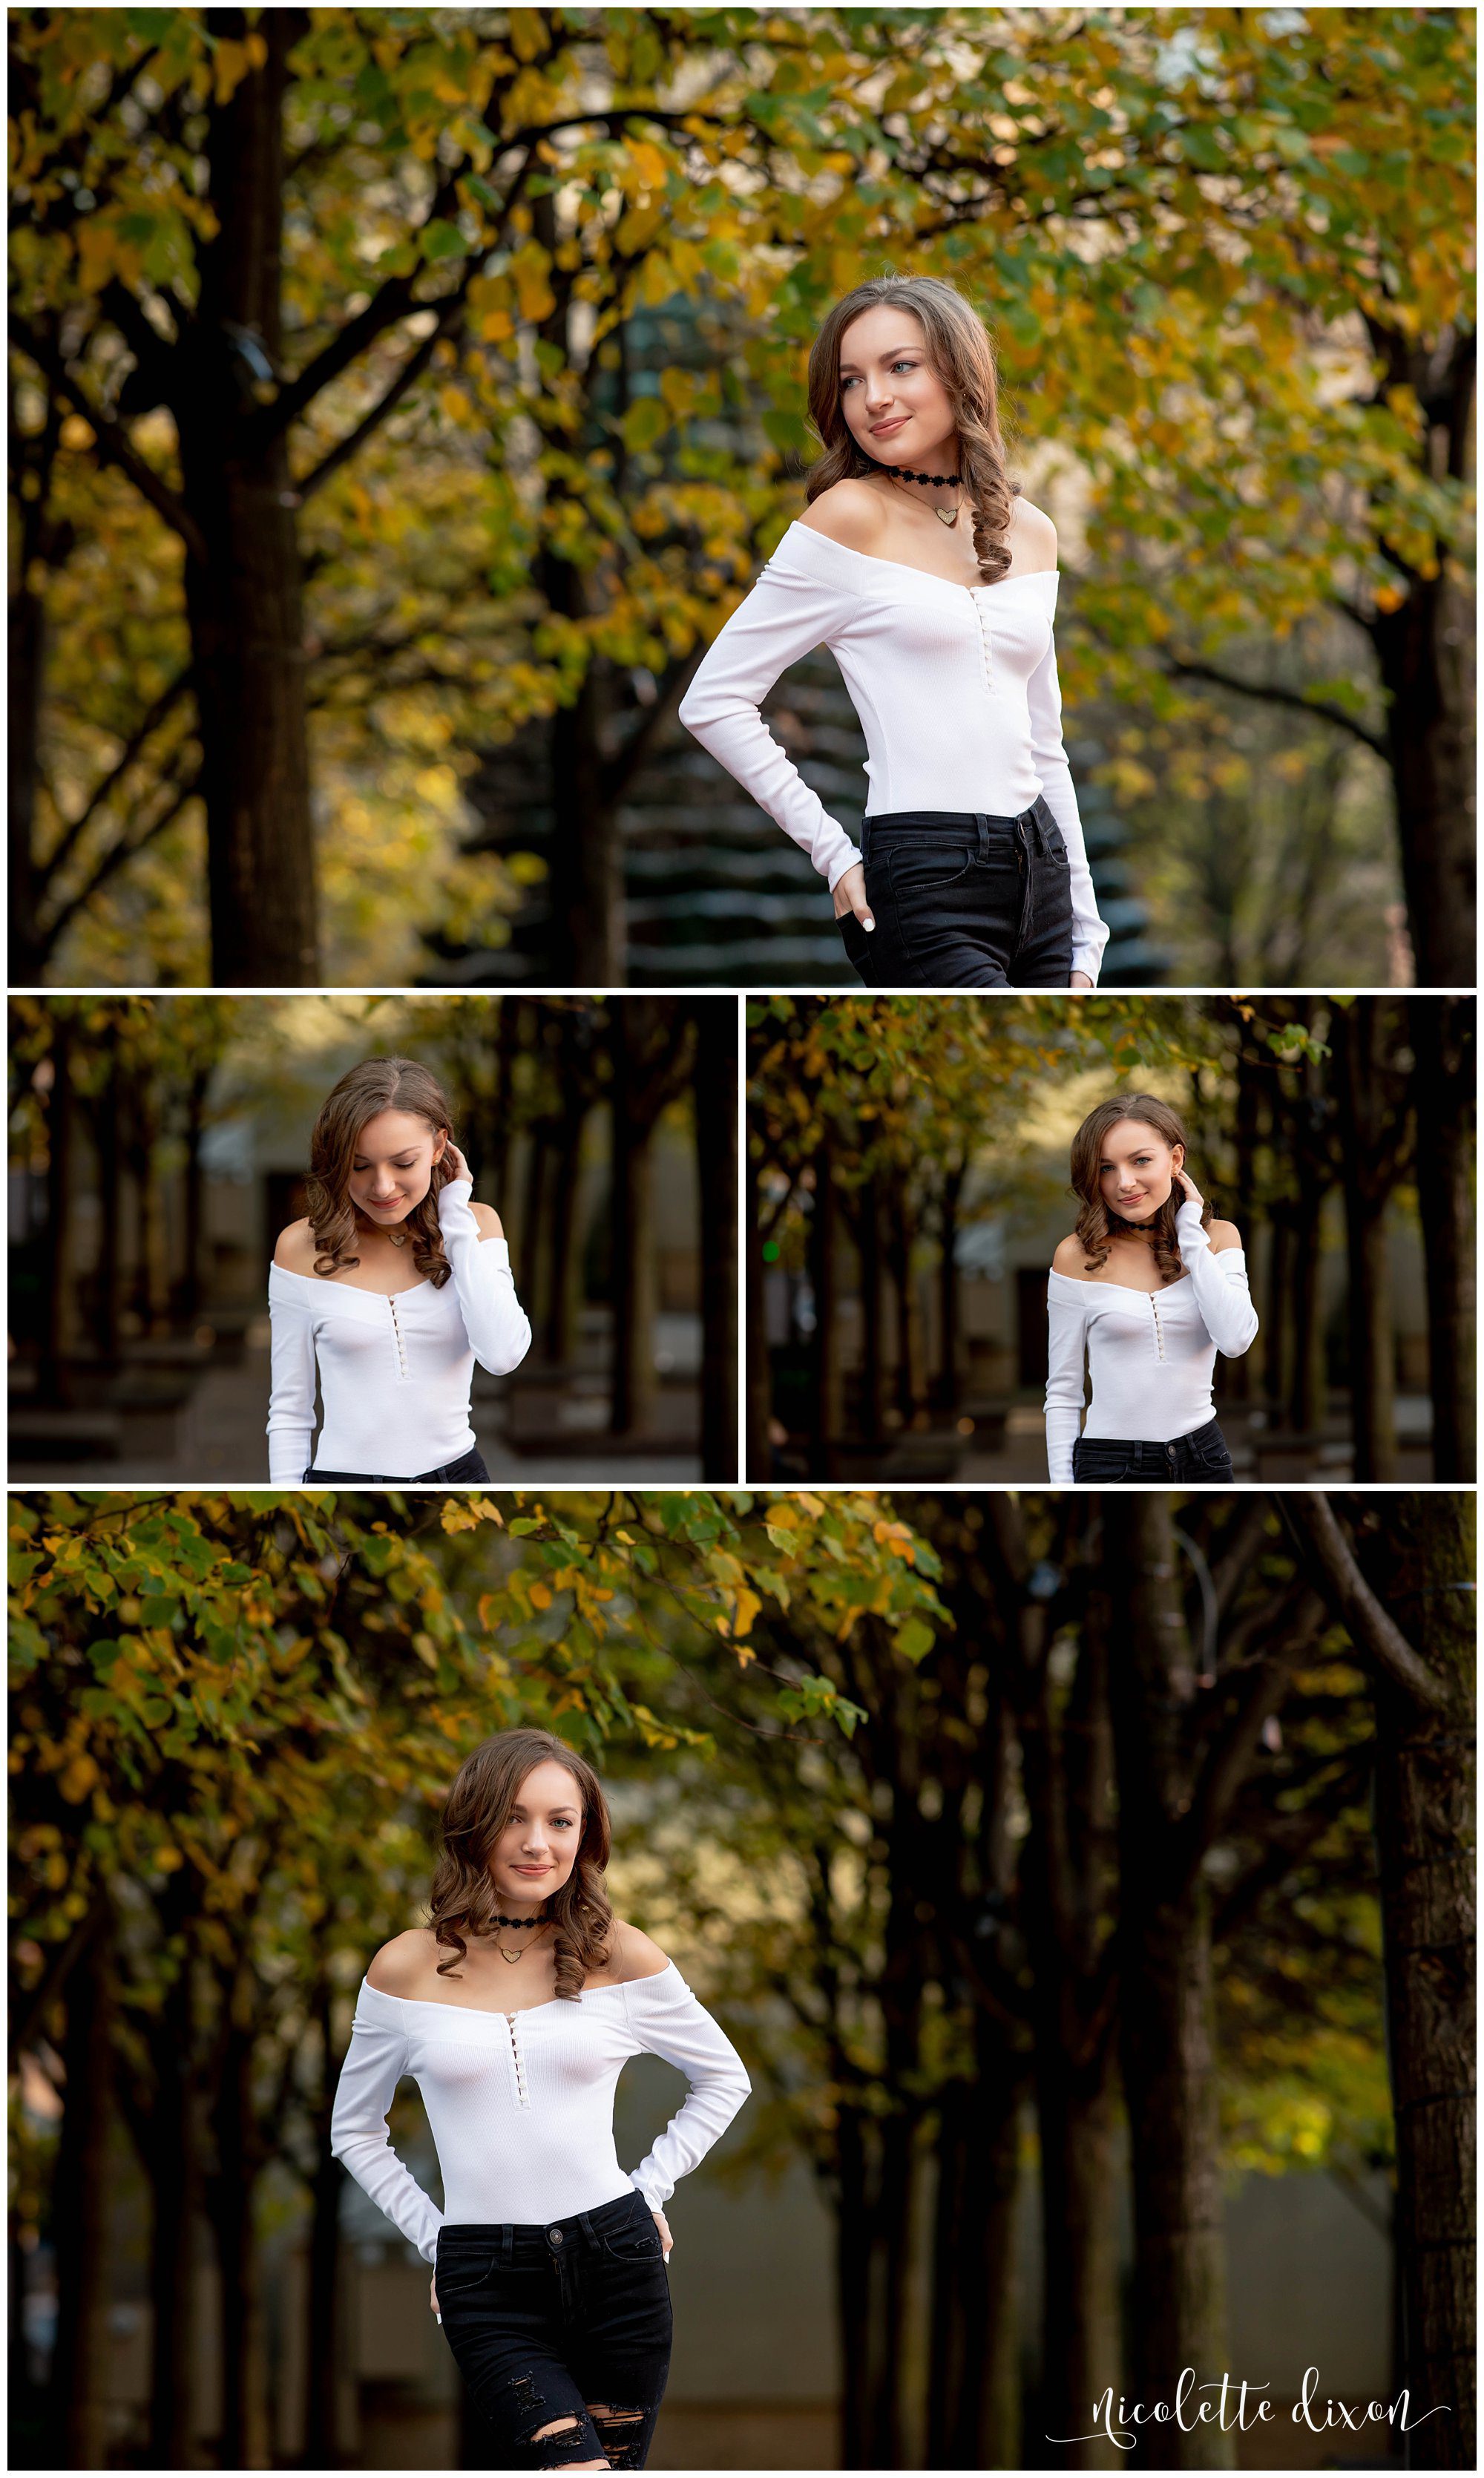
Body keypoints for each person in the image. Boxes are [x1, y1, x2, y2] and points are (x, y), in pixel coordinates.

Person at [330, 1728, 750, 2471]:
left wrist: (649, 2189)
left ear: (585, 1836)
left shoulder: (618, 1954)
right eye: (514, 1818)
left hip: (617, 2263)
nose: (537, 1843)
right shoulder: (404, 1967)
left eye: (561, 1822)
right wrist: (437, 2240)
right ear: (474, 1824)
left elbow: (723, 2077)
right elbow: (354, 2131)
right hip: (486, 2284)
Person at [678, 272, 1108, 989]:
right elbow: (714, 700)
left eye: (900, 366)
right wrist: (836, 854)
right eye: (851, 380)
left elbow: (1045, 747)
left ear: (960, 371)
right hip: (926, 874)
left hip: (1044, 873)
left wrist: (1087, 934)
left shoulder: (1032, 532)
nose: (873, 396)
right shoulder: (850, 516)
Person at [266, 1055, 530, 1484]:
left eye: (403, 1163)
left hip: (459, 1481)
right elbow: (290, 1409)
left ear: (439, 1148)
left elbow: (503, 1356)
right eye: (360, 1166)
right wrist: (289, 1505)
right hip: (342, 1486)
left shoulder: (476, 1227)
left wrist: (456, 1219)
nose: (383, 1187)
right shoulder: (299, 1247)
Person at [1045, 1095, 1258, 1483]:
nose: (1124, 1182)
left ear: (1175, 1159)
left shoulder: (1220, 1239)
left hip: (1203, 1456)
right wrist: (1063, 1484)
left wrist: (1191, 1235)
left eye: (1140, 1160)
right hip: (1109, 1463)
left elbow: (1235, 1339)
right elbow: (1062, 1392)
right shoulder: (1075, 1255)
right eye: (1106, 1168)